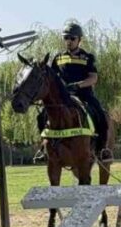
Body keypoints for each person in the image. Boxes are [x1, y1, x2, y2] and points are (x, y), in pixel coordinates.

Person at [35, 21, 110, 160]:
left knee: (101, 115)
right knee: (41, 116)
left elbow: (93, 78)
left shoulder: (87, 57)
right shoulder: (58, 58)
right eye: (66, 38)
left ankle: (102, 149)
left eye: (72, 38)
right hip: (63, 96)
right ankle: (43, 148)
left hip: (84, 95)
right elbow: (52, 78)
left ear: (79, 40)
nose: (69, 41)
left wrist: (78, 85)